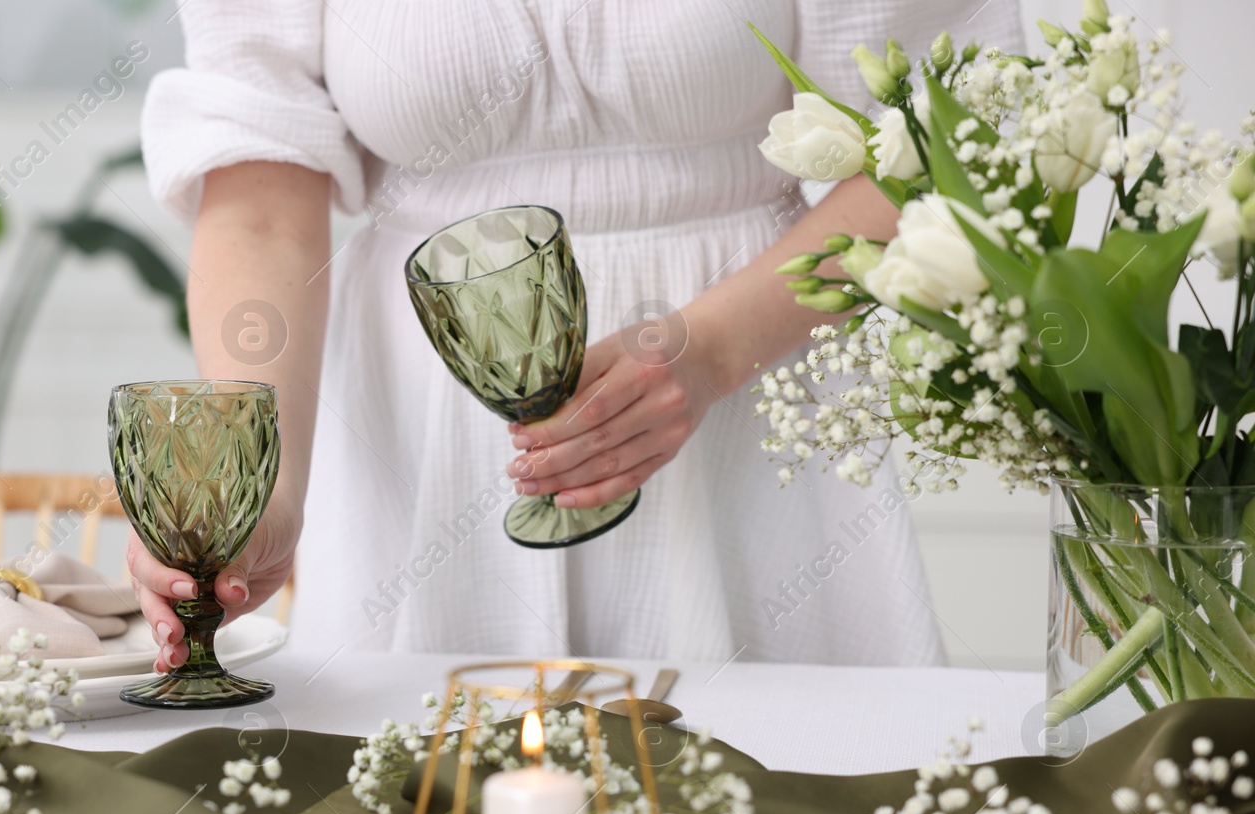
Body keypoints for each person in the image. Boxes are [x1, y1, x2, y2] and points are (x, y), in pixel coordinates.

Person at [132, 0, 1024, 671]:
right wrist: (262, 486)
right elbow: (260, 207)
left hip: (757, 411)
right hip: (418, 442)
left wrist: (711, 349)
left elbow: (947, 137)